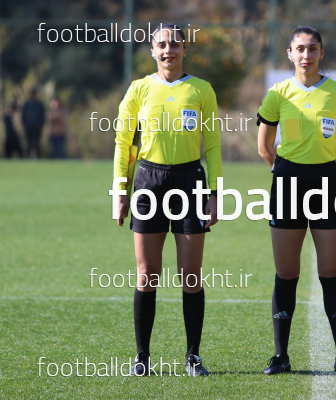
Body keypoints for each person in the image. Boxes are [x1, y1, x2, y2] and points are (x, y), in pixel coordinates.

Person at [113, 23, 222, 377]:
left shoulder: (201, 89)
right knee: (147, 273)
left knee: (190, 274)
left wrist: (215, 193)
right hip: (149, 182)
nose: (168, 50)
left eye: (175, 44)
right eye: (161, 44)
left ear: (185, 49)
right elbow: (124, 144)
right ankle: (142, 358)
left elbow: (213, 145)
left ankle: (193, 357)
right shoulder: (138, 89)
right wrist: (120, 190)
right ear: (152, 50)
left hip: (190, 182)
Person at [257, 26, 336, 375]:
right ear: (290, 53)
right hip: (287, 184)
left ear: (321, 53)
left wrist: (328, 173)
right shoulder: (277, 93)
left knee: (331, 273)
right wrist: (284, 173)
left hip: (327, 185)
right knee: (286, 273)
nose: (306, 55)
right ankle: (280, 356)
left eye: (312, 49)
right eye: (300, 49)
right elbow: (264, 146)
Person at [21, 89, 45, 158]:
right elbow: (23, 116)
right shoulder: (26, 105)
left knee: (37, 144)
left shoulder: (39, 105)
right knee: (28, 144)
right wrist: (24, 125)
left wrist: (41, 125)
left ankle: (38, 157)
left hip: (37, 128)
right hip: (28, 127)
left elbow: (42, 116)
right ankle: (27, 157)